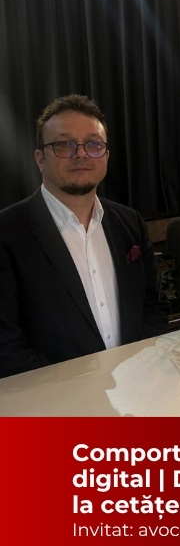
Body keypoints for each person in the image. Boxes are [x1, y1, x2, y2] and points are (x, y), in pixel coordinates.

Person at [0, 94, 168, 379]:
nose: (81, 154)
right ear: (40, 159)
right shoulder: (7, 231)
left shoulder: (129, 222)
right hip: (54, 398)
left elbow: (153, 307)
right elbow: (6, 347)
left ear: (106, 156)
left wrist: (138, 368)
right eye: (64, 144)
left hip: (135, 386)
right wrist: (79, 389)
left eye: (93, 144)